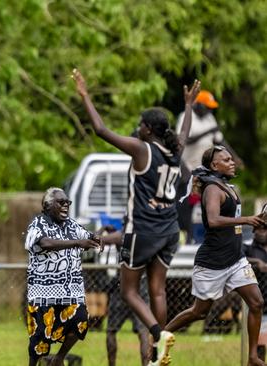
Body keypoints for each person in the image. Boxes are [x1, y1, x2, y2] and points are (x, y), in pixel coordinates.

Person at [73, 68, 201, 366]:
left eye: (140, 124)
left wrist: (85, 95)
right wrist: (189, 106)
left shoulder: (142, 150)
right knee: (157, 289)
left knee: (127, 290)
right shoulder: (174, 151)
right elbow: (183, 133)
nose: (137, 128)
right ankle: (158, 350)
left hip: (143, 230)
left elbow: (101, 130)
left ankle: (159, 334)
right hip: (170, 231)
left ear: (148, 129)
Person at [164, 146, 265, 366]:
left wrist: (257, 221)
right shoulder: (212, 189)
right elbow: (213, 220)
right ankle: (161, 335)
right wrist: (247, 219)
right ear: (213, 165)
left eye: (231, 158)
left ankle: (252, 357)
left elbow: (233, 223)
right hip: (212, 263)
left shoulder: (229, 188)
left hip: (236, 260)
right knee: (199, 312)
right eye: (226, 159)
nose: (232, 162)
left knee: (256, 303)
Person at [24, 187, 100, 366]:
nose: (66, 205)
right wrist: (77, 242)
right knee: (39, 343)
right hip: (43, 294)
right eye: (61, 202)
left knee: (81, 320)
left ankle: (58, 359)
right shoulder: (38, 223)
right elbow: (45, 243)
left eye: (68, 202)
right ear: (48, 205)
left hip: (70, 292)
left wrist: (98, 237)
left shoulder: (71, 225)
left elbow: (86, 237)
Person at [175, 90, 241, 244]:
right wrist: (208, 131)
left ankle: (210, 237)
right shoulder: (186, 116)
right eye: (207, 107)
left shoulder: (209, 118)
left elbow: (220, 140)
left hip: (208, 171)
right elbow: (186, 139)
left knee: (210, 202)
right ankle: (187, 237)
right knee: (187, 205)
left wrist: (234, 156)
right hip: (189, 169)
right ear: (198, 105)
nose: (210, 110)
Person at [100, 230, 151, 366]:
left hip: (123, 287)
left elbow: (100, 239)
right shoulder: (147, 234)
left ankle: (112, 364)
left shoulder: (122, 235)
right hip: (140, 287)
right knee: (143, 332)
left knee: (111, 331)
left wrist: (102, 229)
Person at [245, 210, 267, 361]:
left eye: (264, 229)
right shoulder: (249, 249)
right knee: (260, 345)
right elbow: (238, 258)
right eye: (257, 229)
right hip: (262, 305)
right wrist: (256, 262)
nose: (260, 232)